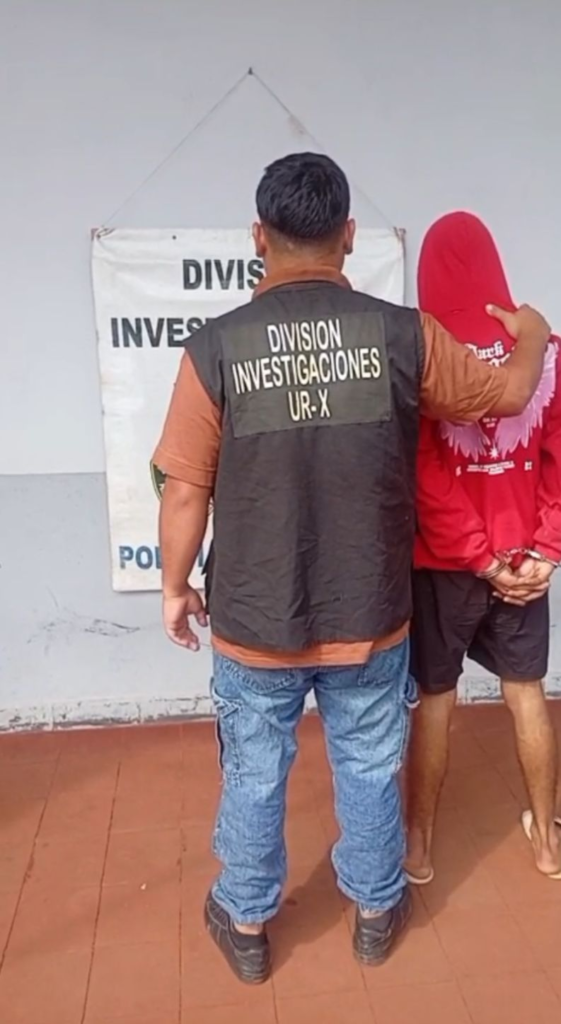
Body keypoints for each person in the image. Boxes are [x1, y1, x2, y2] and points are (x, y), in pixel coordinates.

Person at [153, 155, 549, 982]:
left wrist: (174, 587)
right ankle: (374, 911)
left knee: (254, 773)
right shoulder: (405, 336)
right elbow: (511, 396)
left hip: (254, 620)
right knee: (368, 764)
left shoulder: (214, 349)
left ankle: (247, 923)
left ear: (258, 238)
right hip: (370, 614)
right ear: (348, 236)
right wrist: (534, 333)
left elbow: (184, 490)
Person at [406, 212, 561, 886]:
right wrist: (546, 551)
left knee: (436, 700)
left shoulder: (424, 361)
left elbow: (425, 478)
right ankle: (548, 842)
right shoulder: (545, 353)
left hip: (448, 567)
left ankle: (418, 846)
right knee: (527, 695)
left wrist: (478, 558)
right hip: (525, 562)